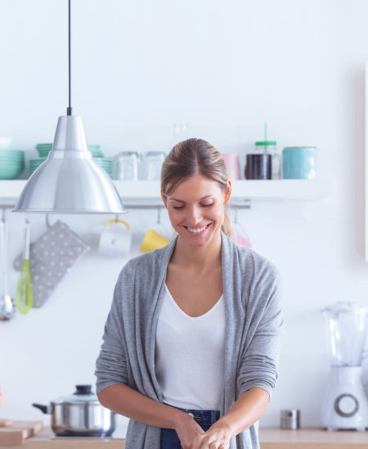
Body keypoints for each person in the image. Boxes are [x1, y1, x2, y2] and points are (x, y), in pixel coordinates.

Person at [95, 138, 283, 449]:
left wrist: (223, 429)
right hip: (157, 436)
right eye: (178, 206)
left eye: (206, 204)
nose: (193, 219)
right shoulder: (136, 278)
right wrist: (178, 420)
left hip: (227, 438)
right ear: (164, 199)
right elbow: (108, 384)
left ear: (226, 193)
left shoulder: (259, 277)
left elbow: (260, 381)